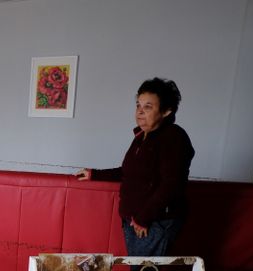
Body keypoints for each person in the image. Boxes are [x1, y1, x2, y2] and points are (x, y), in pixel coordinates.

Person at [75, 77, 194, 256]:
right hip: (136, 219)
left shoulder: (173, 137)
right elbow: (129, 172)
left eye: (148, 107)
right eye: (138, 105)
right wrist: (95, 174)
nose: (139, 112)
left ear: (166, 111)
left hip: (154, 221)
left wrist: (143, 218)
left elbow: (171, 184)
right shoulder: (142, 136)